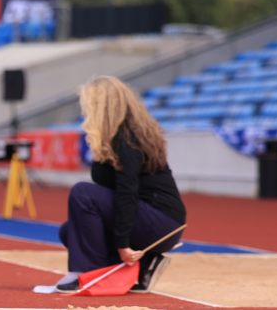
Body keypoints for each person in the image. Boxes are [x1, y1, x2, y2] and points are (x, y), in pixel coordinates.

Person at [55, 76, 185, 294]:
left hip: (161, 222)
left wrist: (123, 244)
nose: (83, 113)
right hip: (147, 219)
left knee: (83, 192)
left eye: (87, 107)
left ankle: (90, 274)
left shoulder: (127, 139)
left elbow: (128, 191)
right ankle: (142, 267)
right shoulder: (116, 136)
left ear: (101, 107)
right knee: (69, 232)